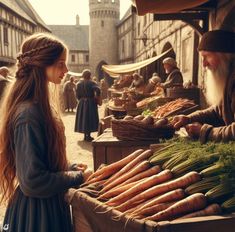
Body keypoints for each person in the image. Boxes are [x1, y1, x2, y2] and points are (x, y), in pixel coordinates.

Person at [0, 33, 92, 232]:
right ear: (43, 66)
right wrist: (78, 177)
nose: (66, 70)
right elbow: (33, 180)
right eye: (60, 64)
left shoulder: (38, 107)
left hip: (50, 205)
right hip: (37, 215)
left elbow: (42, 160)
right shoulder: (28, 114)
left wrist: (68, 166)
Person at [172, 29, 235, 143]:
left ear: (225, 56)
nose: (204, 64)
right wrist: (188, 118)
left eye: (206, 56)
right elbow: (218, 111)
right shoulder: (228, 76)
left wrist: (205, 132)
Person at [74, 69, 101, 142]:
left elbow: (77, 95)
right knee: (89, 118)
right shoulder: (92, 83)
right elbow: (98, 89)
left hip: (82, 102)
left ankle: (85, 136)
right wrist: (96, 97)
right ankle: (88, 136)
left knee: (84, 118)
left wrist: (80, 99)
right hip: (90, 103)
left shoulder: (78, 83)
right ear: (89, 76)